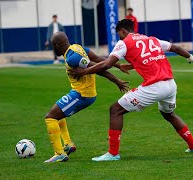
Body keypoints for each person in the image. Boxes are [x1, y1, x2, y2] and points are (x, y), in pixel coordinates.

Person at [69, 19, 193, 161]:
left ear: (122, 31)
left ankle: (113, 154)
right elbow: (175, 48)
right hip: (170, 84)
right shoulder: (152, 39)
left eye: (119, 34)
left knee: (115, 110)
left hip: (154, 86)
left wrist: (85, 72)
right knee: (169, 114)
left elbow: (106, 64)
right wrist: (191, 57)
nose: (119, 37)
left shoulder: (124, 42)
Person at [43, 32, 129, 163]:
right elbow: (99, 59)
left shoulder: (73, 58)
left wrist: (116, 80)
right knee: (58, 114)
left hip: (82, 95)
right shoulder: (77, 47)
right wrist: (118, 65)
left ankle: (59, 153)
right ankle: (68, 145)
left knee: (50, 117)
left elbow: (99, 69)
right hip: (82, 93)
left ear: (56, 45)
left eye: (53, 47)